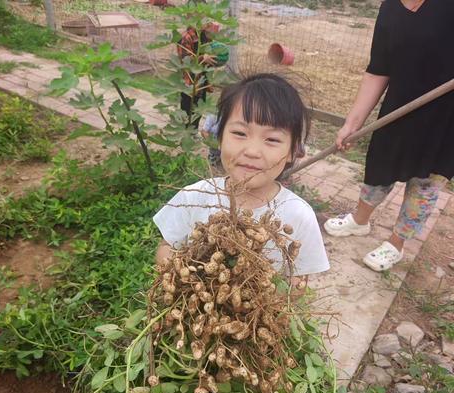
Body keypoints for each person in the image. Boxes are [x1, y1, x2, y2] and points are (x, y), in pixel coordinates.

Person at [154, 74, 330, 291]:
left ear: (294, 151)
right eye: (239, 133)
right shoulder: (193, 196)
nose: (252, 151)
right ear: (219, 138)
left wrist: (263, 303)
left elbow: (298, 283)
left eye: (272, 139)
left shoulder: (299, 216)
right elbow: (166, 246)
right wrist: (184, 282)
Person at [324, 0, 454, 272]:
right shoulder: (390, 8)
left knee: (426, 183)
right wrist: (352, 123)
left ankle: (397, 243)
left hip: (446, 119)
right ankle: (360, 221)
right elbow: (378, 69)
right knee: (380, 166)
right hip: (399, 109)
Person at [177, 22, 219, 129]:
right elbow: (185, 60)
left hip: (202, 81)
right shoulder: (185, 37)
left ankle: (193, 133)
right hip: (189, 83)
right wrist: (201, 58)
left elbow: (210, 52)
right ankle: (186, 137)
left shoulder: (205, 35)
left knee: (198, 112)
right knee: (187, 112)